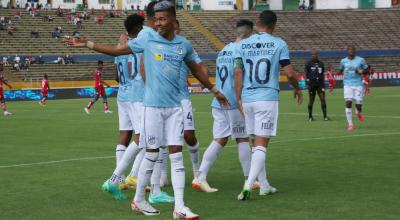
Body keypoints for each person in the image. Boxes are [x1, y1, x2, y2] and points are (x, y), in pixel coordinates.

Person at [64, 1, 229, 218]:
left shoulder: (184, 44)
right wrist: (88, 44)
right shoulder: (147, 37)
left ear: (173, 20)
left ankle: (179, 207)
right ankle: (139, 199)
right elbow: (117, 50)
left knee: (176, 155)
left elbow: (197, 70)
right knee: (150, 152)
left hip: (175, 108)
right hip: (152, 107)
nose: (158, 23)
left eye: (162, 19)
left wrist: (215, 89)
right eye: (156, 19)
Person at [234, 10, 303, 200]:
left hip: (247, 98)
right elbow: (289, 73)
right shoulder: (279, 43)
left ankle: (264, 185)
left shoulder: (243, 44)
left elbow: (238, 73)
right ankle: (248, 185)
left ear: (257, 23)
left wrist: (238, 98)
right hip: (267, 98)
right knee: (262, 145)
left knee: (255, 144)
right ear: (274, 25)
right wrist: (297, 88)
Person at [192, 19, 266, 193]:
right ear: (249, 33)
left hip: (218, 101)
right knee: (242, 138)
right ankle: (249, 178)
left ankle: (200, 176)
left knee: (220, 138)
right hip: (233, 101)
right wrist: (239, 100)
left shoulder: (224, 50)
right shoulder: (242, 50)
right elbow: (237, 73)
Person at [339, 46, 368, 131]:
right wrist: (338, 72)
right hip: (347, 84)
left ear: (355, 51)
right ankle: (350, 124)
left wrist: (360, 71)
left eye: (353, 50)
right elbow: (340, 70)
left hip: (358, 84)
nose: (351, 51)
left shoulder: (361, 60)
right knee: (348, 102)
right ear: (347, 51)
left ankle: (358, 112)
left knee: (358, 104)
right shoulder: (343, 61)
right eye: (350, 49)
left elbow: (367, 70)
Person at [304, 50, 328, 122]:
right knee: (311, 101)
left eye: (314, 54)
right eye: (312, 54)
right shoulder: (308, 63)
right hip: (312, 84)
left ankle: (325, 117)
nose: (313, 56)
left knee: (323, 100)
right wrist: (307, 83)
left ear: (317, 55)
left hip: (320, 84)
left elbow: (323, 74)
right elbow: (305, 74)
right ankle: (310, 117)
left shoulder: (321, 63)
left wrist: (323, 84)